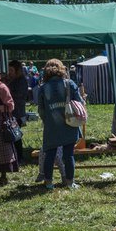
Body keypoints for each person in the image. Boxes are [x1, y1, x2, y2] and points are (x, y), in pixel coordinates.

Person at [35, 58, 86, 190]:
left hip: (51, 126)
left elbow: (41, 110)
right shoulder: (69, 84)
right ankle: (70, 183)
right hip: (70, 123)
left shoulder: (43, 88)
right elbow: (80, 103)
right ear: (62, 69)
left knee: (50, 155)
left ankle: (48, 183)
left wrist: (48, 121)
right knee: (68, 155)